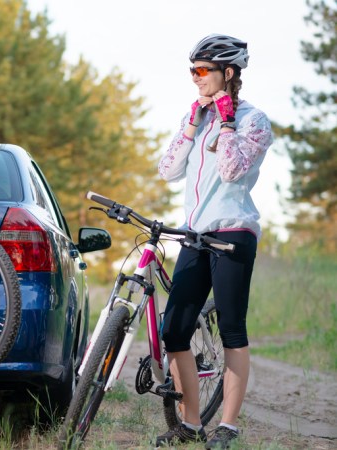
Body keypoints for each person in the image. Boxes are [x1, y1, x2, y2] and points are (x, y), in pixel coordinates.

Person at [156, 34, 273, 448]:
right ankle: (189, 424)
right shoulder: (198, 116)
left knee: (232, 329)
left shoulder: (253, 120)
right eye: (192, 71)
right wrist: (192, 123)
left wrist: (226, 122)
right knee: (175, 330)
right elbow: (167, 170)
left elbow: (231, 170)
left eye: (202, 71)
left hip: (234, 232)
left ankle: (227, 426)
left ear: (229, 73)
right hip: (195, 234)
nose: (195, 78)